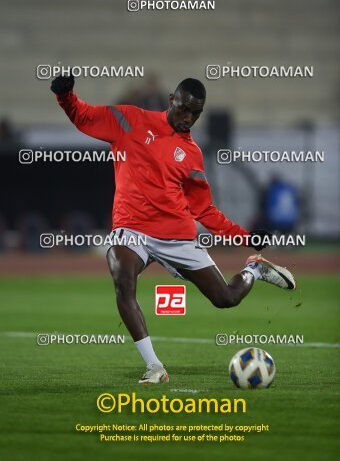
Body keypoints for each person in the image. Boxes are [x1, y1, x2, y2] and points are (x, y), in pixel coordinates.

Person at [51, 74, 296, 384]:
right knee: (122, 276)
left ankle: (255, 271)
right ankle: (154, 367)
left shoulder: (191, 153)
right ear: (171, 101)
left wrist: (245, 238)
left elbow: (203, 209)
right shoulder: (130, 120)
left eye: (195, 114)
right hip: (132, 228)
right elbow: (83, 115)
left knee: (226, 299)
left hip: (176, 236)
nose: (188, 118)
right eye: (183, 110)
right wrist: (65, 95)